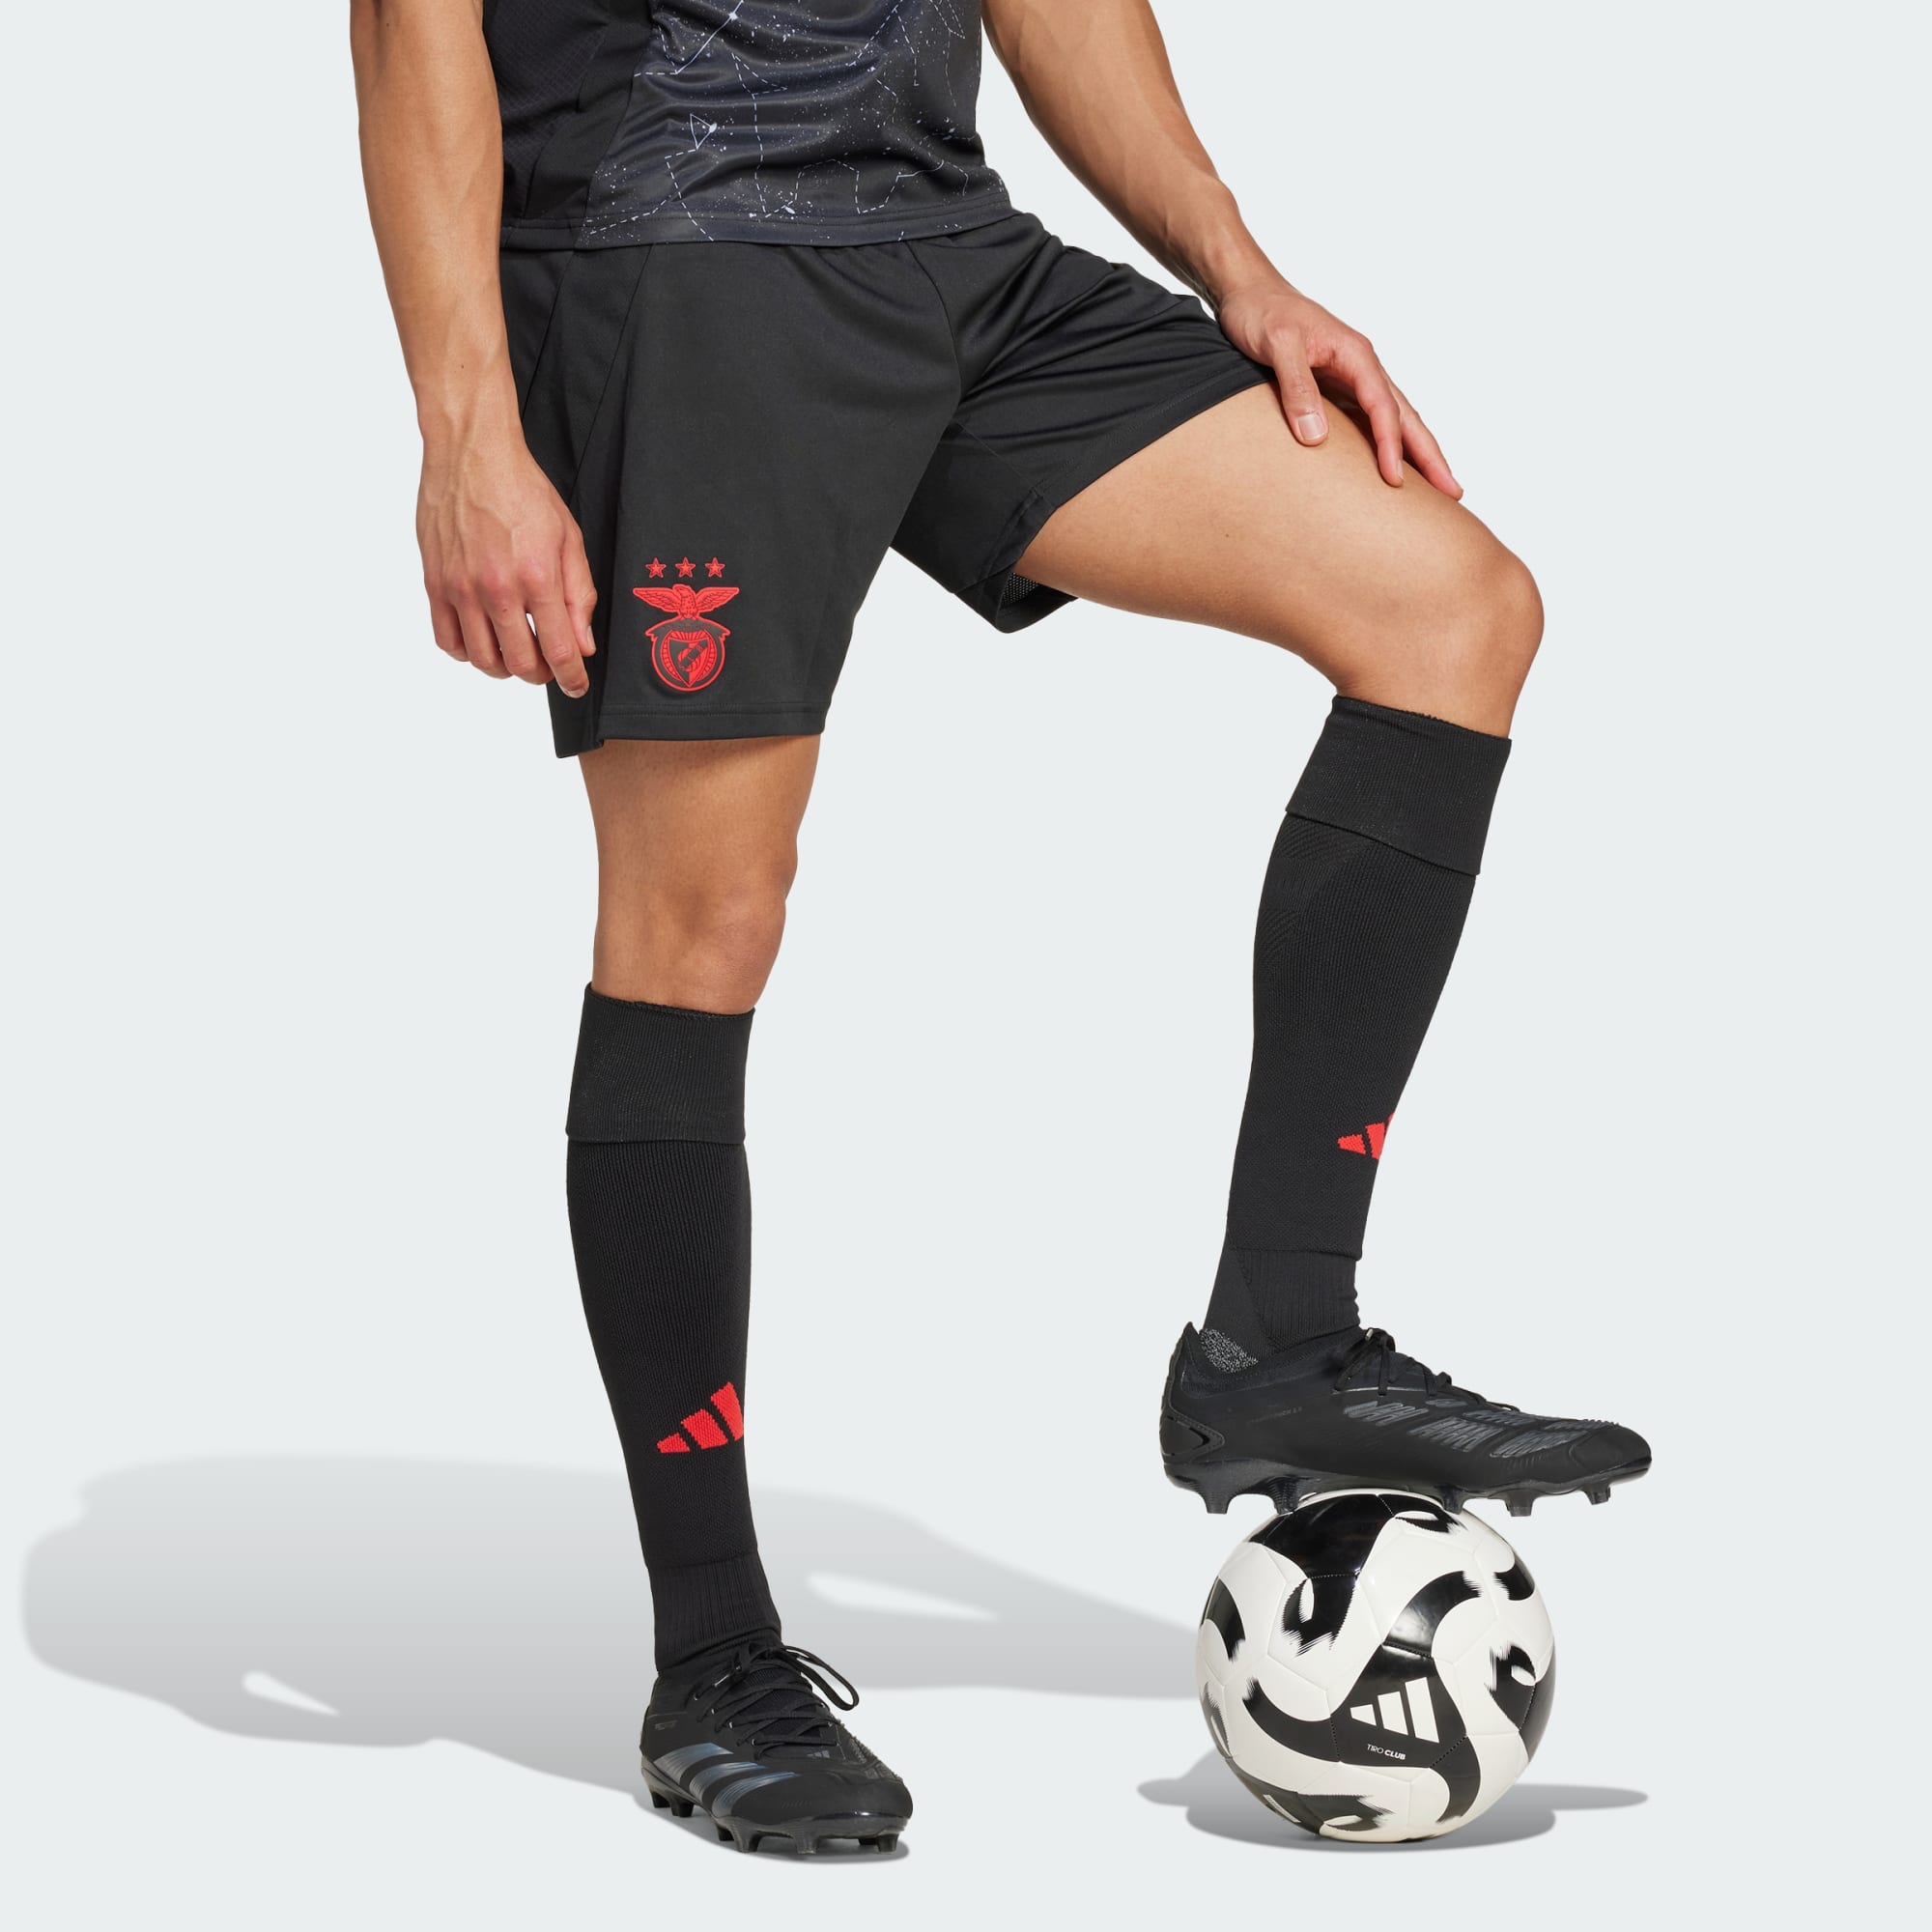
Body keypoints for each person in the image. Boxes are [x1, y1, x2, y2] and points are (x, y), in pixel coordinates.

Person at [352, 0, 1649, 1857]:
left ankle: (1277, 1342)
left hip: (951, 248)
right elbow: (408, 18)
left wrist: (1239, 270)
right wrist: (467, 428)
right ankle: (712, 1656)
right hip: (674, 255)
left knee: (1450, 609)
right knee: (704, 921)